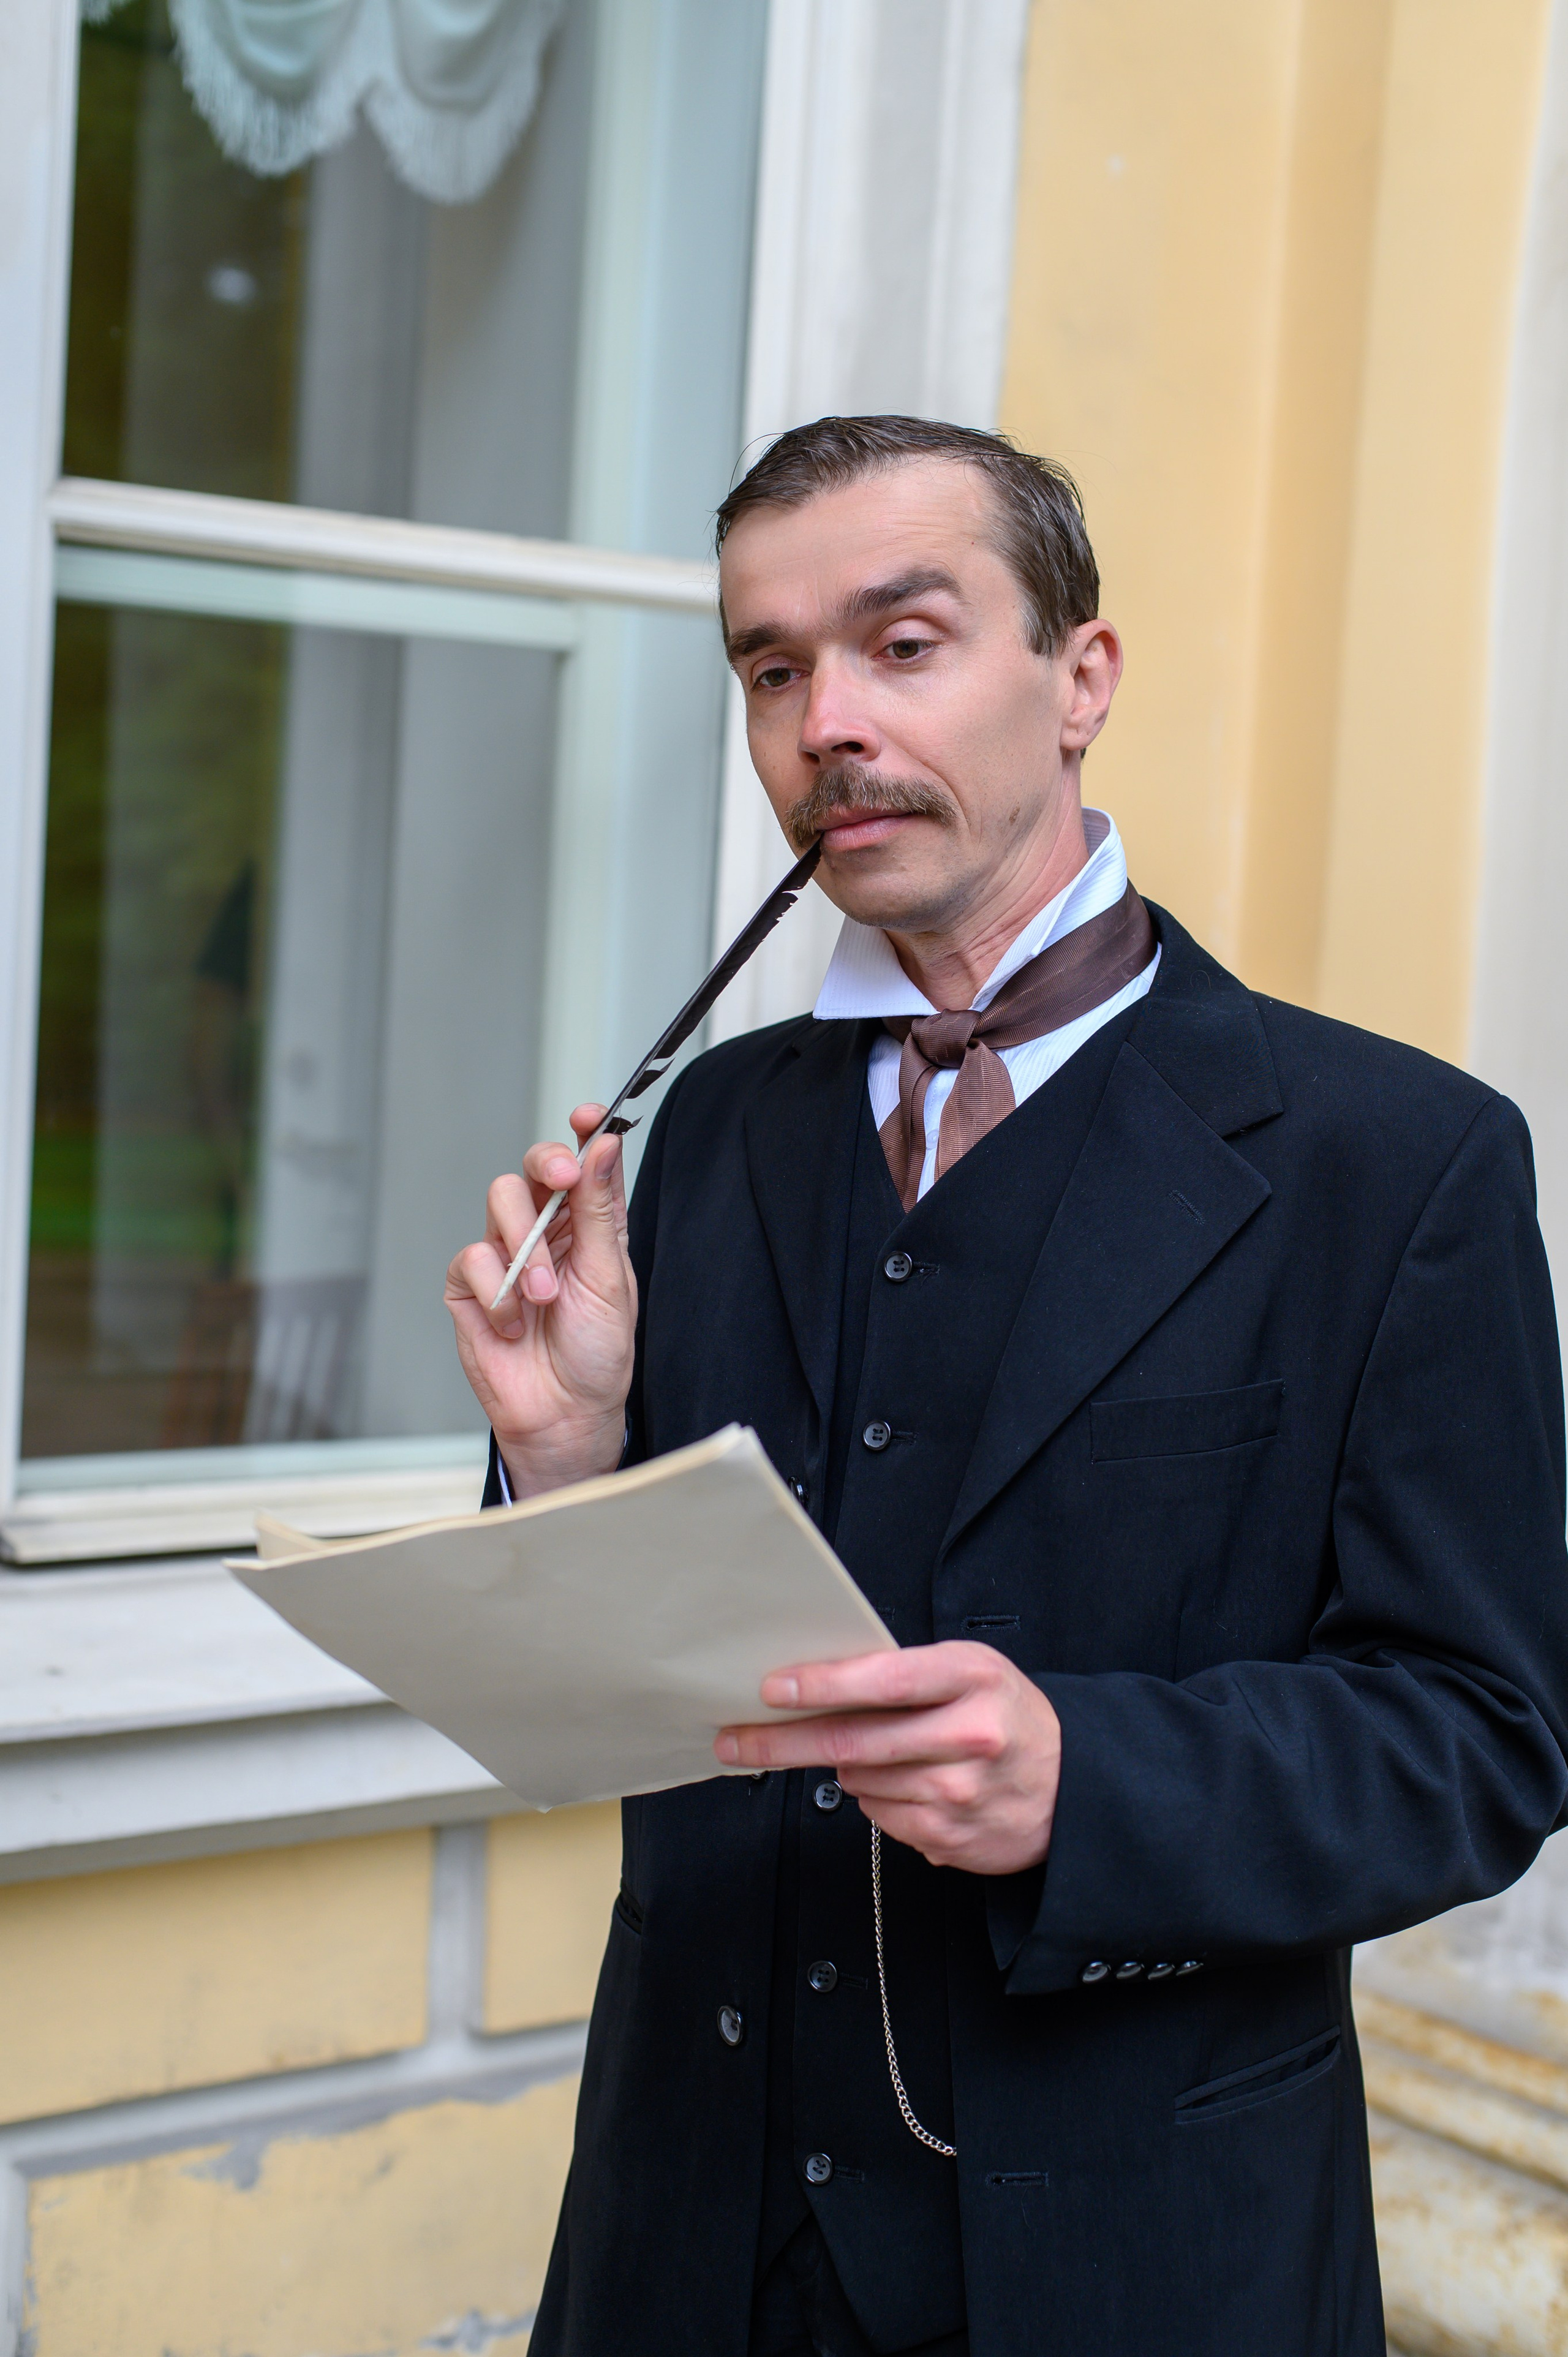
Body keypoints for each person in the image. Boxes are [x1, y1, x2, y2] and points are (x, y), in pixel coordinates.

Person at [445, 415, 1568, 2357]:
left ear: (1082, 681)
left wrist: (1087, 1781)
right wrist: (562, 1468)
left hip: (1150, 2265)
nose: (825, 724)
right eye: (773, 668)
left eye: (904, 641)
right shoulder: (704, 1130)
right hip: (681, 2245)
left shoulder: (1398, 1161)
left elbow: (1484, 1738)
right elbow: (605, 1714)